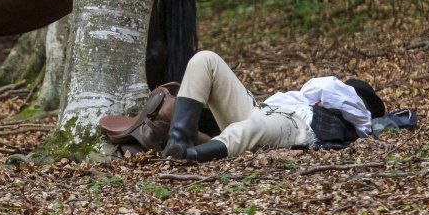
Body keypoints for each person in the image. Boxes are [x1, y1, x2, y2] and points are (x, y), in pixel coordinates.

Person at [162, 50, 387, 162]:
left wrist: (331, 102)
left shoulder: (359, 115)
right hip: (260, 109)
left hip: (294, 125)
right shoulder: (312, 100)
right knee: (206, 59)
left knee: (252, 128)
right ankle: (178, 139)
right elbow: (321, 89)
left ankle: (188, 156)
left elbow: (324, 87)